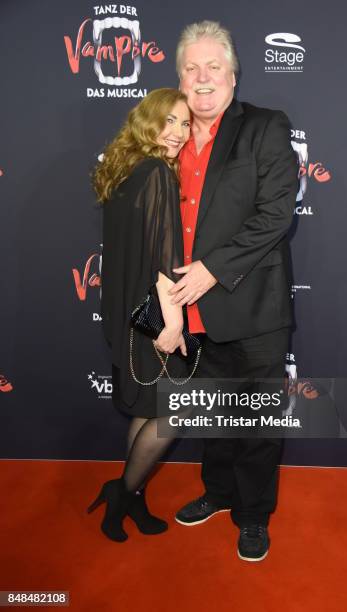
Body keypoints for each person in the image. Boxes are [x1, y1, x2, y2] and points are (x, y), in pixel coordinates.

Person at [169, 21, 299, 561]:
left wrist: (211, 270)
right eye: (191, 68)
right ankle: (218, 494)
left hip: (254, 306)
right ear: (178, 76)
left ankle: (252, 515)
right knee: (214, 417)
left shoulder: (265, 127)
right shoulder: (168, 134)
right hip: (190, 310)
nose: (202, 79)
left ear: (232, 73)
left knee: (257, 421)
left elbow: (275, 214)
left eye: (213, 67)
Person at [87, 88, 191, 542]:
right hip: (152, 316)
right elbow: (165, 262)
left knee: (147, 409)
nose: (179, 133)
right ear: (148, 120)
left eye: (185, 124)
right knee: (173, 413)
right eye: (169, 121)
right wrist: (173, 324)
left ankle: (130, 497)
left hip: (124, 314)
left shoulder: (123, 170)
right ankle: (121, 492)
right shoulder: (158, 175)